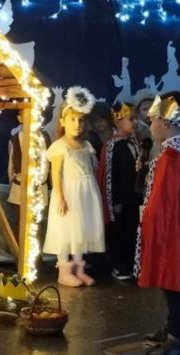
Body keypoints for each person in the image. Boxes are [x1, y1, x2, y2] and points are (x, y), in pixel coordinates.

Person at [135, 92, 180, 355]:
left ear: (165, 122)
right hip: (175, 227)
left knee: (174, 282)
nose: (150, 126)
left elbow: (165, 202)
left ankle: (179, 340)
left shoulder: (172, 158)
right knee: (170, 281)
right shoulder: (175, 153)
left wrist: (151, 229)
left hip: (172, 230)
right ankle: (173, 327)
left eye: (152, 120)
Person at [44, 86, 105, 287]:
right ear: (62, 121)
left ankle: (79, 269)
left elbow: (93, 168)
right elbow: (56, 174)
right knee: (66, 230)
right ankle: (64, 271)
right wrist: (60, 198)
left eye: (81, 120)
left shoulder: (87, 146)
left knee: (82, 230)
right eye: (72, 120)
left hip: (86, 194)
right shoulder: (60, 146)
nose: (77, 124)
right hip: (69, 194)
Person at [104, 102, 140, 280]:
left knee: (133, 230)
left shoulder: (134, 142)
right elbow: (110, 175)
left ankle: (133, 264)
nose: (135, 122)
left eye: (135, 119)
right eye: (131, 119)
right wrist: (114, 201)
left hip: (134, 196)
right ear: (118, 122)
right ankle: (120, 266)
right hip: (120, 199)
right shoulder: (112, 145)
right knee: (120, 232)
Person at [7, 112, 52, 239]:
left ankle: (37, 252)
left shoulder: (45, 137)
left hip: (41, 189)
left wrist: (51, 186)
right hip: (20, 189)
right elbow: (11, 165)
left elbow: (50, 163)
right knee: (21, 225)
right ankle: (18, 250)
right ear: (20, 118)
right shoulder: (15, 139)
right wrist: (12, 181)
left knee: (38, 225)